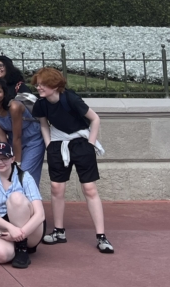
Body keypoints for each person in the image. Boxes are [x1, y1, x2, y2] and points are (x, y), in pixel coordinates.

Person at [31, 67, 113, 253]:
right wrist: (49, 145)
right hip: (58, 144)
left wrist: (90, 144)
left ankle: (101, 236)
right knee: (56, 187)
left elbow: (95, 119)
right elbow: (44, 125)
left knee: (89, 188)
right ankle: (59, 231)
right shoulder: (41, 104)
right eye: (38, 84)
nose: (39, 87)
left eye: (43, 84)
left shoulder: (71, 98)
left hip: (81, 143)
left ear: (55, 86)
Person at [0, 142, 45, 268]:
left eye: (5, 158)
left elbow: (40, 215)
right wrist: (11, 229)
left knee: (16, 198)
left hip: (29, 228)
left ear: (12, 159)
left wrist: (21, 234)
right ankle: (13, 246)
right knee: (1, 255)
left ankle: (22, 248)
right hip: (2, 225)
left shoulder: (25, 177)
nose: (0, 162)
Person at [0, 77, 46, 187]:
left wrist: (17, 163)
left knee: (24, 174)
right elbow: (1, 134)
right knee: (12, 176)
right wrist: (6, 155)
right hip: (13, 141)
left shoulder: (14, 107)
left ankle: (32, 198)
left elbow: (17, 137)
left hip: (33, 140)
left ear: (4, 93)